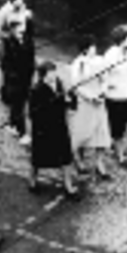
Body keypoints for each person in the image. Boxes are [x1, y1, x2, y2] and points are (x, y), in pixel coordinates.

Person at [28, 61, 79, 197]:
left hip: (60, 126)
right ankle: (32, 180)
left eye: (55, 71)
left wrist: (69, 99)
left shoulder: (59, 84)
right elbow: (33, 113)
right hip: (44, 130)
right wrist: (52, 102)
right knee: (39, 158)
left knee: (66, 157)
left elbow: (68, 102)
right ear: (44, 75)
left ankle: (68, 186)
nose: (55, 74)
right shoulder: (36, 90)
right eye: (51, 72)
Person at [68, 36, 113, 180]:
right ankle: (78, 160)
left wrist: (102, 91)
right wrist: (90, 97)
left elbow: (106, 78)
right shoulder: (77, 64)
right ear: (86, 48)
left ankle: (99, 164)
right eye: (92, 46)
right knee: (82, 132)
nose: (95, 48)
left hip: (99, 102)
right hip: (85, 102)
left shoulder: (100, 61)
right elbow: (76, 86)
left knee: (101, 133)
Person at [103, 23, 127, 166]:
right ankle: (120, 155)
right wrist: (109, 86)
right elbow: (104, 75)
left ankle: (119, 146)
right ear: (120, 40)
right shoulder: (110, 55)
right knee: (117, 128)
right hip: (115, 98)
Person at [0, 15, 35, 145]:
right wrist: (13, 77)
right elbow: (4, 64)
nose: (22, 33)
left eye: (23, 30)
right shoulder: (7, 43)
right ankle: (22, 133)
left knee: (18, 105)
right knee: (18, 107)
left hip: (25, 80)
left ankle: (12, 125)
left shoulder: (26, 41)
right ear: (13, 30)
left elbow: (30, 60)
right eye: (19, 31)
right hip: (14, 81)